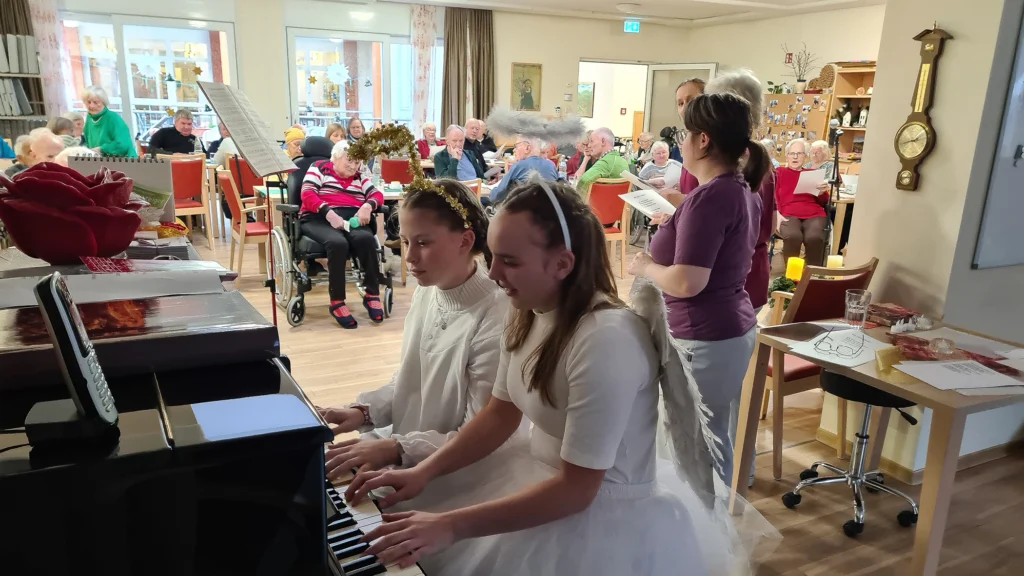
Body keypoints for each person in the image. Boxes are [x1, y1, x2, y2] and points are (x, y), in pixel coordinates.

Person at [343, 181, 726, 576]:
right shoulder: (526, 310)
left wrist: (452, 524)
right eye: (493, 256)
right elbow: (498, 415)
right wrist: (423, 471)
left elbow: (577, 489)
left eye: (508, 260)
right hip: (537, 479)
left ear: (562, 263)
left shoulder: (605, 339)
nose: (492, 272)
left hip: (598, 517)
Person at [319, 180, 510, 479]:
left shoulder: (495, 314)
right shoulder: (429, 289)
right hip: (412, 446)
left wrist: (396, 449)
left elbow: (479, 434)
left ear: (464, 240)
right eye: (406, 241)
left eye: (423, 243)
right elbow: (412, 379)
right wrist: (364, 412)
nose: (409, 257)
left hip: (458, 468)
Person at [628, 92, 771, 486]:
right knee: (712, 434)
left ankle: (704, 531)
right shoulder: (739, 186)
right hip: (729, 328)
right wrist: (681, 210)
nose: (680, 143)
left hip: (704, 334)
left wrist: (647, 265)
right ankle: (714, 523)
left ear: (703, 140)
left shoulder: (711, 197)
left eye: (685, 134)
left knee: (694, 444)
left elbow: (689, 282)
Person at [707, 68, 777, 314]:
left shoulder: (723, 165)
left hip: (724, 283)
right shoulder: (761, 160)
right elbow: (772, 223)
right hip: (753, 275)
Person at [298, 140, 385, 328]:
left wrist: (367, 206)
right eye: (350, 160)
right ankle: (336, 301)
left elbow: (377, 195)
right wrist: (328, 213)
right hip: (318, 217)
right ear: (336, 156)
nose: (354, 166)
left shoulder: (360, 176)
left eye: (357, 162)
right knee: (337, 243)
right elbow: (307, 194)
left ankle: (372, 293)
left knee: (366, 239)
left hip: (351, 218)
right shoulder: (319, 168)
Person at [776, 138, 829, 266]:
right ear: (786, 155)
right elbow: (772, 196)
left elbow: (823, 201)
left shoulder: (812, 174)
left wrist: (822, 193)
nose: (795, 157)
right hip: (787, 213)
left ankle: (814, 274)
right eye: (792, 153)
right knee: (793, 237)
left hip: (814, 213)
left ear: (805, 156)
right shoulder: (779, 172)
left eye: (799, 153)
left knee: (815, 238)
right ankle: (792, 277)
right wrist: (775, 213)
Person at [489, 136, 558, 204]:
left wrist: (491, 193)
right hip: (548, 211)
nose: (514, 150)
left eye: (516, 146)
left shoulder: (519, 165)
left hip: (521, 211)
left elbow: (497, 196)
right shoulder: (551, 166)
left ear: (527, 148)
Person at [81, 86, 137, 157]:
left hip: (121, 162)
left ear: (103, 102)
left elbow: (123, 144)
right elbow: (87, 142)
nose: (91, 106)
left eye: (96, 102)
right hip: (98, 161)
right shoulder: (89, 118)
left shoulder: (113, 117)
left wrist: (101, 149)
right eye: (88, 102)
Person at [574, 127, 627, 195]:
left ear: (603, 141)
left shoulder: (605, 162)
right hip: (618, 204)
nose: (589, 145)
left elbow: (583, 180)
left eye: (592, 141)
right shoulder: (623, 161)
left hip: (599, 204)